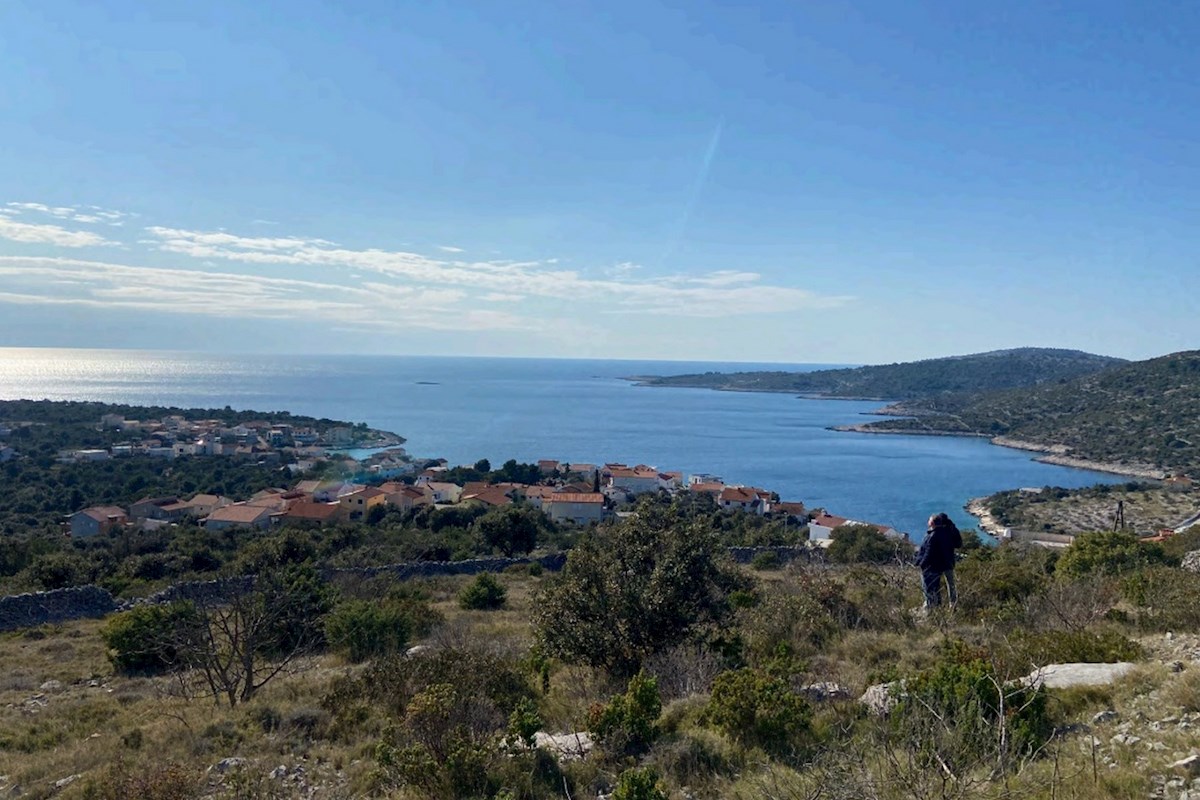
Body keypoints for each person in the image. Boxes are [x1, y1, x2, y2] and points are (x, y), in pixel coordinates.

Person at [916, 512, 962, 609]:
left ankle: (934, 605)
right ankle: (952, 604)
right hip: (948, 561)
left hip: (937, 563)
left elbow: (929, 550)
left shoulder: (936, 533)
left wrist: (922, 563)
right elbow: (958, 544)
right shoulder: (952, 529)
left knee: (933, 585)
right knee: (950, 584)